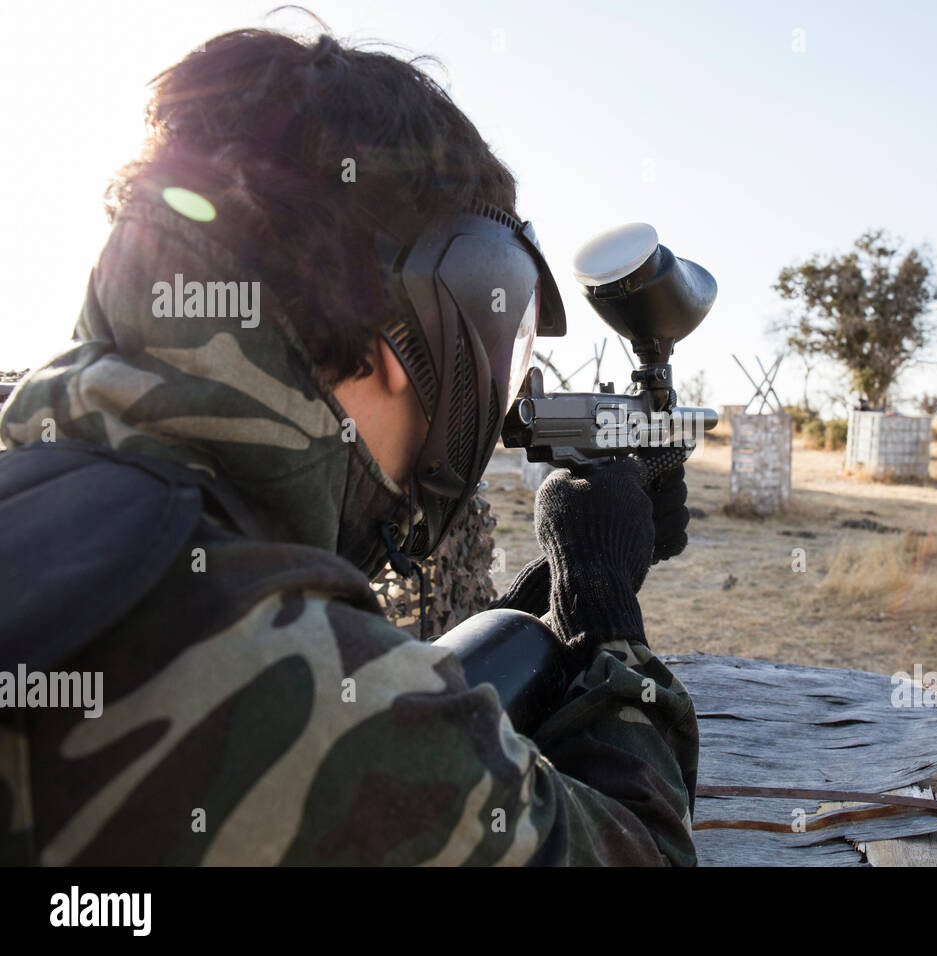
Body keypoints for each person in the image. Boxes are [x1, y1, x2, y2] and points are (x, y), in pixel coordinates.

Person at [0, 27, 697, 866]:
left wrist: (546, 599)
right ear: (403, 344)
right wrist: (607, 613)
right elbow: (639, 854)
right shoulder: (277, 683)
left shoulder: (56, 496)